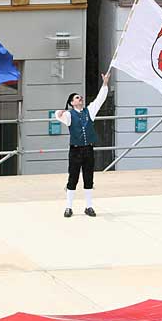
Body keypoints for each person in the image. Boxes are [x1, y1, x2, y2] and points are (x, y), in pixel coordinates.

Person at [54, 72, 110, 218]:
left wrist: (104, 84)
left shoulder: (89, 111)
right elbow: (58, 115)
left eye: (80, 97)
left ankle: (89, 206)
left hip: (88, 149)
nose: (81, 98)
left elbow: (99, 100)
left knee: (88, 177)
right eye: (77, 97)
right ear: (72, 102)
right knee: (73, 178)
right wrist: (58, 113)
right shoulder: (69, 115)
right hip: (75, 150)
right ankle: (68, 207)